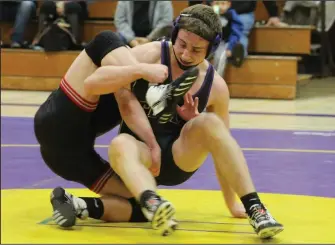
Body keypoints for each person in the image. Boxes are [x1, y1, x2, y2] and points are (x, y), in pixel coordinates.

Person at [49, 4, 284, 239]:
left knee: (210, 123)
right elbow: (94, 81)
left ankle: (256, 209)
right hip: (139, 157)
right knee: (120, 143)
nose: (185, 54)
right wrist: (138, 70)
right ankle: (151, 203)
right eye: (182, 44)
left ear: (211, 49)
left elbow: (224, 149)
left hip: (178, 157)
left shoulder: (216, 86)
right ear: (174, 35)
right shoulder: (149, 54)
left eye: (196, 50)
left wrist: (232, 204)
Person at [34, 30, 198, 235]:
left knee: (141, 205)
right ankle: (150, 90)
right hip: (59, 120)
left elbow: (128, 106)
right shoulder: (114, 57)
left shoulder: (127, 86)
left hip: (68, 155)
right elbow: (93, 79)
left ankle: (75, 204)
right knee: (107, 40)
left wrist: (184, 125)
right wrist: (142, 71)